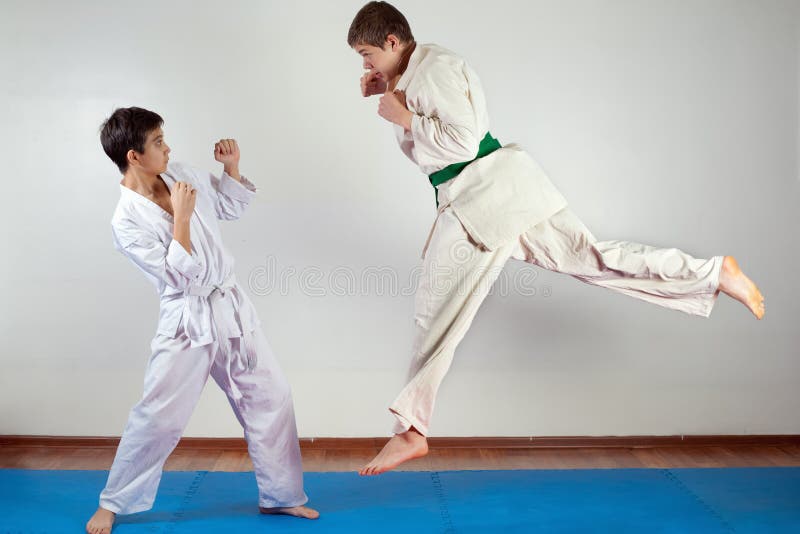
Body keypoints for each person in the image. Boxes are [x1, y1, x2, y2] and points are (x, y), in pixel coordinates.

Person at [347, 1, 765, 476]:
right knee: (598, 260)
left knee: (434, 310)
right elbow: (436, 132)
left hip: (483, 196)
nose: (363, 64)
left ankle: (410, 432)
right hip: (497, 192)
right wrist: (392, 87)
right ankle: (715, 273)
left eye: (367, 54)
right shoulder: (420, 69)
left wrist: (402, 117)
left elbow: (463, 140)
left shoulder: (436, 67)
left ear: (393, 42)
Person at [86, 107, 318, 534]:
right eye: (157, 142)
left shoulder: (182, 175)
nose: (167, 147)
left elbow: (229, 207)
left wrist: (231, 168)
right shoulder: (126, 222)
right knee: (159, 416)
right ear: (134, 156)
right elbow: (180, 276)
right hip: (186, 321)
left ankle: (281, 496)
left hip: (230, 308)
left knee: (272, 397)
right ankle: (113, 502)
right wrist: (182, 218)